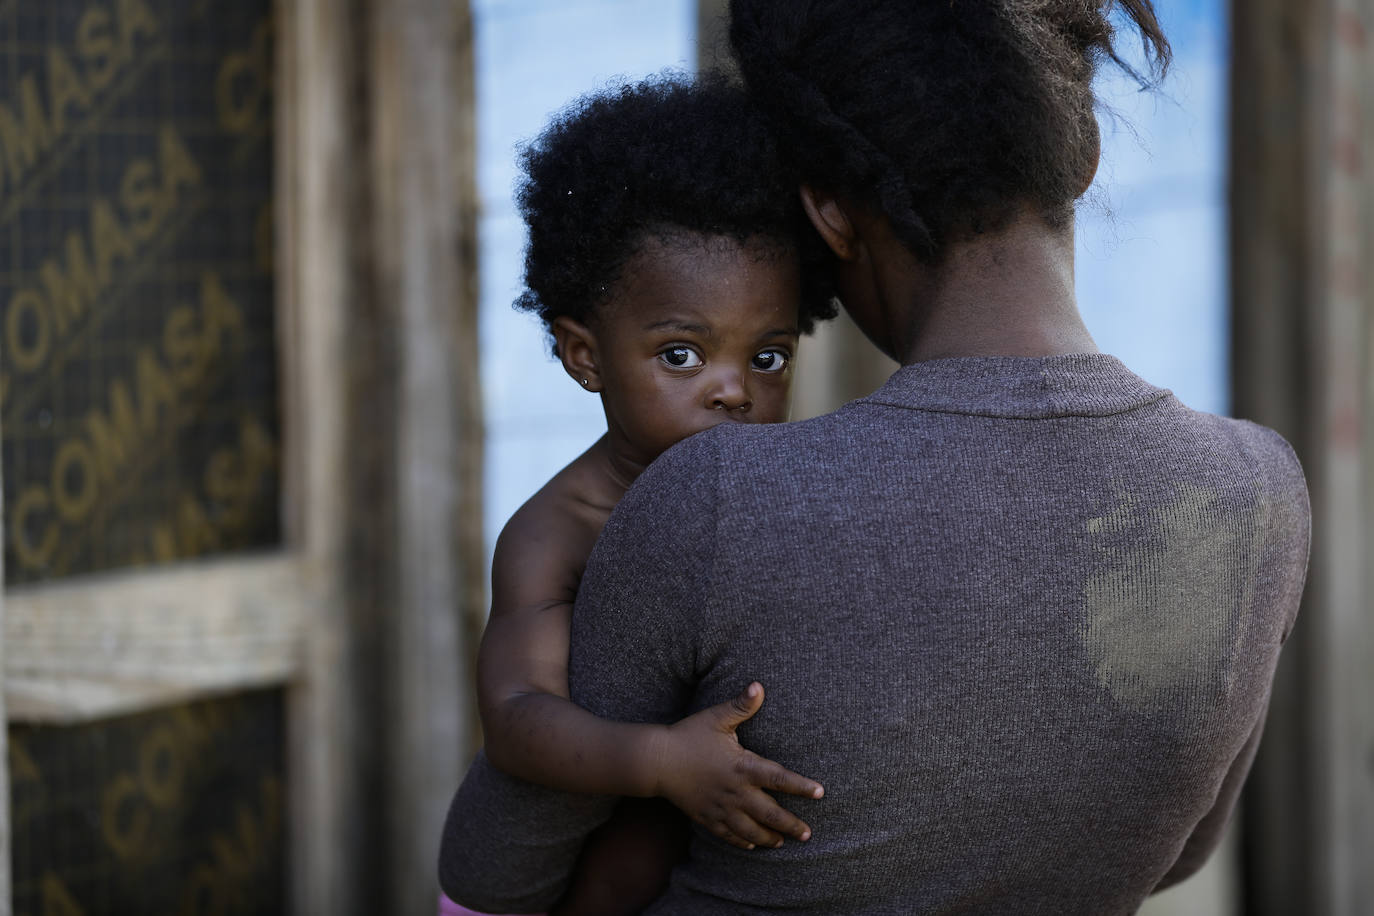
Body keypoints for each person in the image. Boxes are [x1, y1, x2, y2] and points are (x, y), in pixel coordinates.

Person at [441, 1, 1311, 913]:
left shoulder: (714, 499)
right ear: (1082, 156)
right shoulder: (1257, 490)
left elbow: (494, 870)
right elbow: (1177, 853)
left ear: (827, 214)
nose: (733, 391)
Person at [439, 75, 836, 915]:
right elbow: (515, 717)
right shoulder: (558, 530)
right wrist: (660, 761)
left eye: (767, 358)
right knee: (634, 842)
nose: (733, 390)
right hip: (535, 886)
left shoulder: (783, 491)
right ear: (585, 356)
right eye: (683, 356)